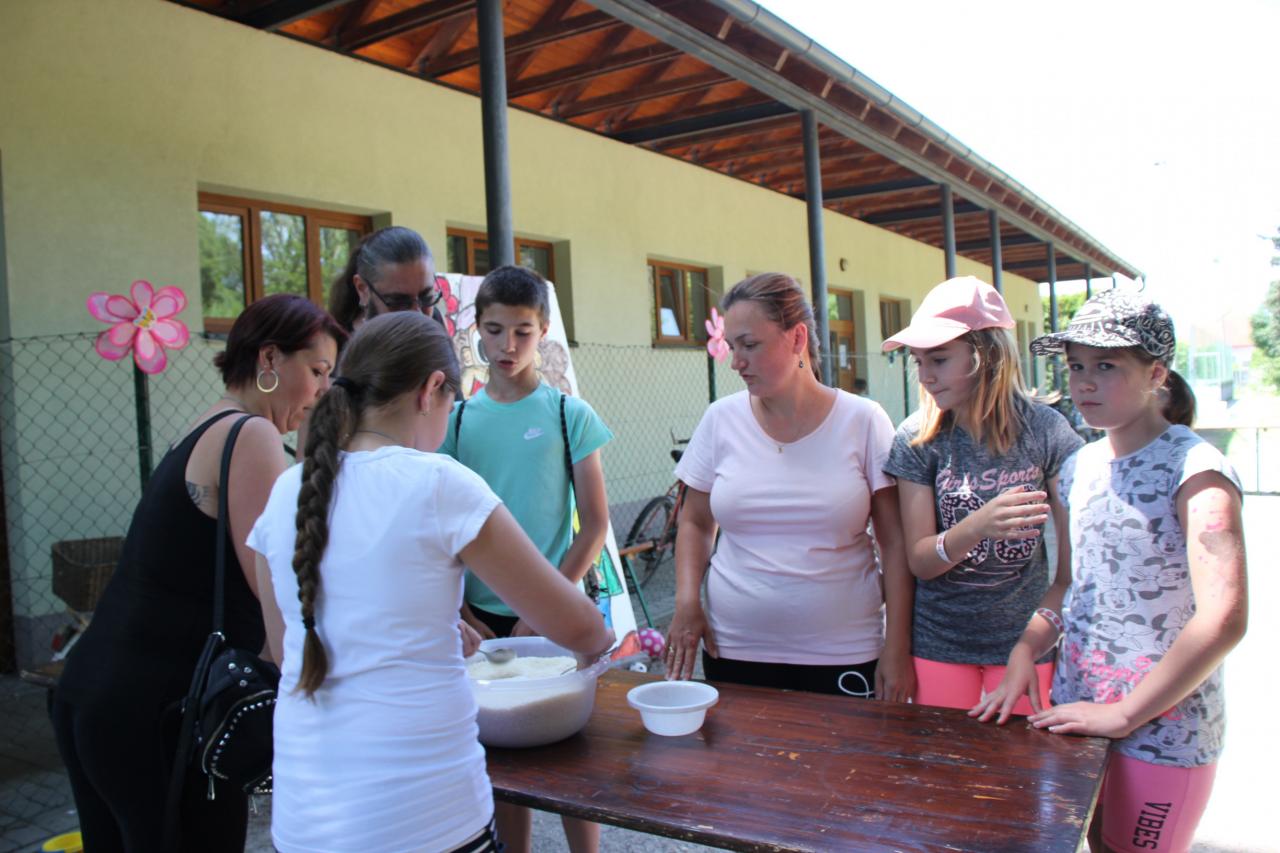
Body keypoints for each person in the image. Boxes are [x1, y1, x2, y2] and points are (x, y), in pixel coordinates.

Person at [246, 311, 613, 853]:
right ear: (432, 389)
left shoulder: (287, 492)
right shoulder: (439, 483)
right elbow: (580, 628)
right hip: (425, 819)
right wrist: (601, 637)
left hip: (304, 823)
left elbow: (289, 652)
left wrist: (431, 632)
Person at [51, 294, 345, 853]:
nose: (324, 390)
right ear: (269, 359)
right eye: (317, 371)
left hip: (99, 696)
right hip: (161, 717)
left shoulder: (208, 424)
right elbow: (279, 589)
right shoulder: (250, 435)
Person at [974, 291, 1248, 853]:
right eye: (1076, 366)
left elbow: (1224, 618)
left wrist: (1124, 714)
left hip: (1163, 732)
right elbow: (1069, 586)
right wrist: (1026, 649)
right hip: (1077, 715)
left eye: (1106, 366)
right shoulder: (1079, 467)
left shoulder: (1197, 470)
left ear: (1156, 374)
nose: (1084, 383)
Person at [664, 273, 914, 702]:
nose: (736, 362)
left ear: (797, 338)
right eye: (732, 346)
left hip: (844, 651)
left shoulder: (863, 421)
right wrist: (687, 602)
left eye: (750, 345)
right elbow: (695, 522)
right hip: (734, 648)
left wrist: (897, 647)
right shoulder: (720, 420)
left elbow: (894, 544)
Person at [437, 264, 613, 853]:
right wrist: (463, 612)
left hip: (557, 613)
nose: (507, 346)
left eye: (522, 332)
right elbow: (444, 529)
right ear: (476, 331)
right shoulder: (457, 421)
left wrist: (547, 604)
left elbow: (595, 525)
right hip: (483, 618)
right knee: (505, 765)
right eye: (494, 331)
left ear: (543, 333)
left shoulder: (569, 415)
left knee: (572, 754)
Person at [881, 276, 1082, 713]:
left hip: (1025, 649)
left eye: (939, 359)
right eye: (918, 361)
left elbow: (1070, 572)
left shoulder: (1046, 431)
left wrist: (1034, 642)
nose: (925, 376)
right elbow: (920, 562)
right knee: (943, 757)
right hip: (938, 646)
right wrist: (977, 526)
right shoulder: (917, 438)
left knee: (1019, 758)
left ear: (987, 354)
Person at [327, 224, 444, 334]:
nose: (418, 316)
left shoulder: (434, 320)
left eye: (426, 297)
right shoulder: (336, 344)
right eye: (399, 302)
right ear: (362, 289)